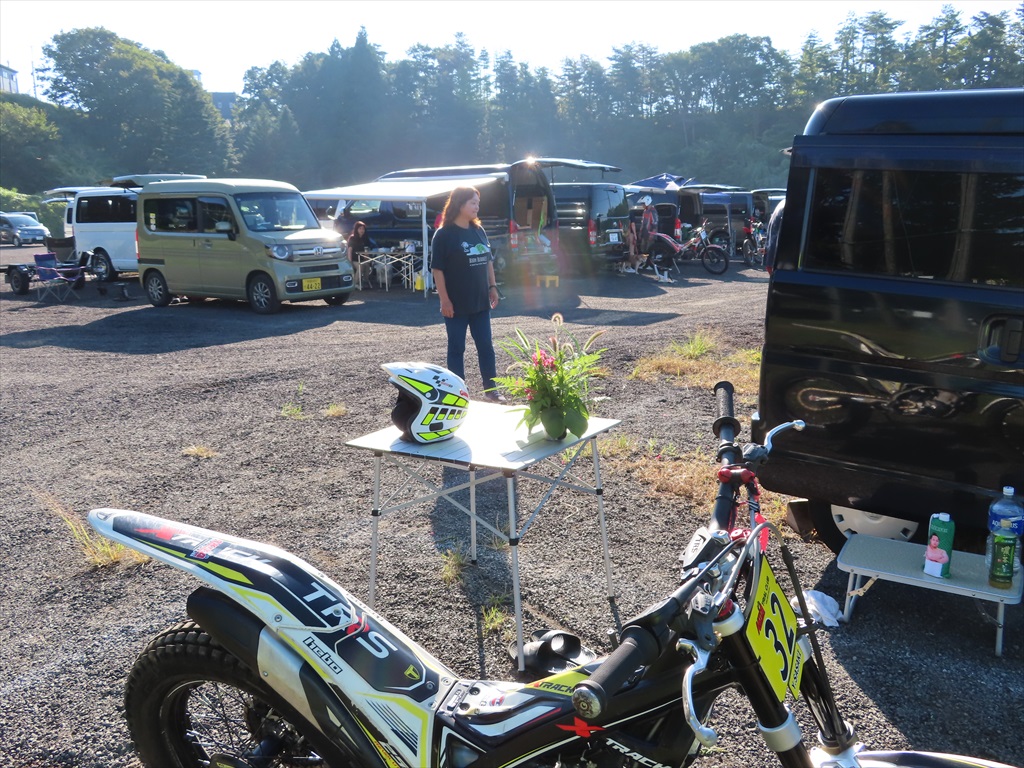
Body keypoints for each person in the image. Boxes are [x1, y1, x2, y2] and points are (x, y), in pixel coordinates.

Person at [430, 186, 503, 401]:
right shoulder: (443, 235)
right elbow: (437, 270)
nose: (477, 207)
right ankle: (457, 393)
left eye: (478, 203)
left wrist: (492, 287)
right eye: (473, 203)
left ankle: (491, 390)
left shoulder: (478, 230)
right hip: (455, 304)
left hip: (480, 302)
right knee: (456, 348)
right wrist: (444, 300)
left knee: (486, 346)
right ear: (459, 204)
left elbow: (488, 261)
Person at [346, 221, 375, 287]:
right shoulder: (352, 238)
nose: (362, 230)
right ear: (356, 229)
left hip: (362, 259)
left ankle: (365, 280)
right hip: (354, 260)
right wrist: (350, 262)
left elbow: (367, 249)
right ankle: (355, 284)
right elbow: (349, 250)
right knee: (360, 266)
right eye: (360, 228)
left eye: (363, 229)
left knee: (367, 264)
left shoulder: (365, 238)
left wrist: (366, 257)